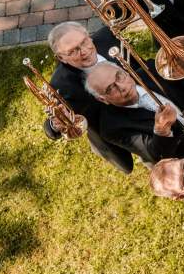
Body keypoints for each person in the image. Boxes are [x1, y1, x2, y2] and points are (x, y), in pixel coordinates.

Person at [84, 62, 184, 165]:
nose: (122, 87)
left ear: (124, 71)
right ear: (103, 99)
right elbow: (157, 155)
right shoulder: (112, 128)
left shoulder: (152, 69)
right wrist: (161, 130)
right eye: (110, 89)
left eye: (119, 76)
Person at [44, 21, 134, 173]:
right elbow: (50, 127)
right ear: (61, 58)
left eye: (84, 42)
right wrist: (55, 124)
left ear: (89, 36)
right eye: (73, 51)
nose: (84, 51)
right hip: (118, 125)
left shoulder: (107, 37)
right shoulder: (61, 85)